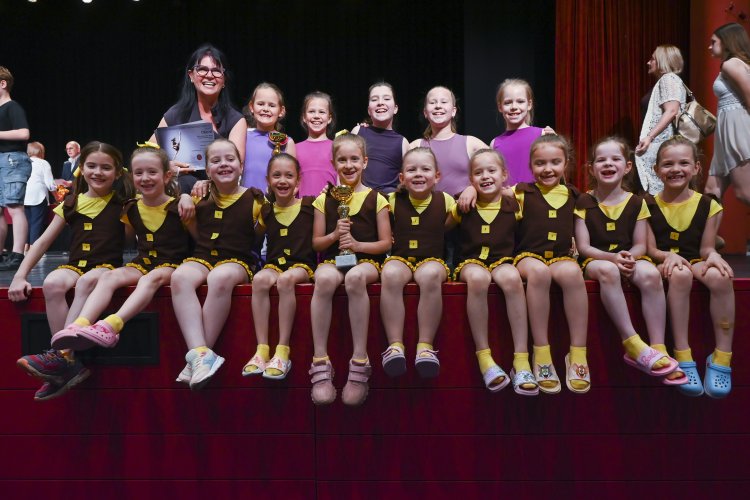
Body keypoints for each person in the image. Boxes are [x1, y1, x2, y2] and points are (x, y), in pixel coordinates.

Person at [10, 141, 135, 401]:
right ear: (81, 168)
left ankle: (63, 356)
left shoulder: (124, 204)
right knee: (53, 283)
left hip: (105, 267)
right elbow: (42, 242)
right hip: (76, 265)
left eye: (106, 167)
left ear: (117, 172)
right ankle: (66, 362)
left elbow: (132, 238)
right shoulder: (71, 202)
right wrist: (19, 276)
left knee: (88, 281)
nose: (97, 172)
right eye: (91, 166)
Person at [49, 145, 193, 354]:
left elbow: (198, 238)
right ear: (131, 176)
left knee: (149, 279)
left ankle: (111, 325)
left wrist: (186, 196)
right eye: (139, 173)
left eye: (152, 172)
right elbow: (127, 238)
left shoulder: (180, 206)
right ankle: (79, 324)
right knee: (109, 277)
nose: (145, 178)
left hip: (171, 264)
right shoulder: (130, 207)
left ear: (167, 175)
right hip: (142, 263)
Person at [574, 137, 682, 383]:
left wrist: (629, 257)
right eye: (601, 160)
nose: (608, 164)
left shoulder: (636, 202)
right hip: (597, 259)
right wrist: (612, 258)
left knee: (650, 273)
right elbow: (584, 247)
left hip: (629, 256)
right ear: (591, 168)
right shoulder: (584, 201)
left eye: (615, 159)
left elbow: (641, 244)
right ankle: (632, 342)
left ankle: (658, 347)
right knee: (608, 271)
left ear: (628, 167)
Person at [170, 138, 265, 390]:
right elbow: (196, 235)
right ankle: (201, 354)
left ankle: (199, 356)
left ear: (241, 165)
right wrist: (185, 197)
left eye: (230, 159)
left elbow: (257, 241)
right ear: (207, 170)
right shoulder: (198, 196)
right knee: (179, 277)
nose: (223, 164)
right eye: (216, 160)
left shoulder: (255, 199)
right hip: (204, 256)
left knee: (219, 277)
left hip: (238, 260)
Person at [646, 136, 735, 398]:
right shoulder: (646, 205)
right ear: (657, 170)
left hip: (693, 259)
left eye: (684, 163)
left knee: (720, 276)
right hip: (662, 263)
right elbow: (650, 249)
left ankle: (722, 355)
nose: (676, 169)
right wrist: (666, 256)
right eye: (668, 164)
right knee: (680, 274)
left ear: (696, 168)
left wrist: (714, 256)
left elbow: (705, 248)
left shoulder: (710, 206)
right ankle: (682, 354)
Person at [309, 133, 391, 406]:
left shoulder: (376, 198)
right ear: (333, 163)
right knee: (322, 278)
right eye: (342, 160)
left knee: (355, 277)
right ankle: (320, 360)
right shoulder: (324, 200)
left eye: (354, 159)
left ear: (364, 162)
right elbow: (317, 243)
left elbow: (385, 244)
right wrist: (335, 235)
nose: (348, 165)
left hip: (366, 262)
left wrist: (357, 245)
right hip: (335, 260)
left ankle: (359, 360)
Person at [452, 149, 536, 395]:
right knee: (478, 278)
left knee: (511, 277)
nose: (485, 176)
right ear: (471, 179)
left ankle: (521, 360)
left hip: (503, 260)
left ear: (504, 174)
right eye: (478, 173)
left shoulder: (515, 203)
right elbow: (440, 228)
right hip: (470, 262)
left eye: (492, 171)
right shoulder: (463, 203)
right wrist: (466, 192)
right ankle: (485, 358)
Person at [514, 134, 590, 394]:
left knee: (573, 273)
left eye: (555, 162)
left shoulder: (575, 195)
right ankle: (541, 352)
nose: (547, 169)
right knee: (538, 273)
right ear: (530, 165)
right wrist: (470, 189)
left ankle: (578, 352)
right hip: (528, 256)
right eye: (540, 163)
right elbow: (489, 196)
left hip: (559, 257)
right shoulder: (521, 192)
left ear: (566, 163)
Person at [379, 147, 453, 379]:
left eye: (425, 169)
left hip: (433, 260)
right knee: (389, 272)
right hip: (401, 259)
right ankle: (395, 345)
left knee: (429, 275)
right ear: (402, 178)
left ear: (437, 176)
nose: (419, 174)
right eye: (411, 170)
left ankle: (425, 346)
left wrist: (471, 189)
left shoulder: (446, 200)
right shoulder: (391, 200)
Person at [243, 154, 316, 380]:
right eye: (276, 175)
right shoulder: (266, 211)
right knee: (259, 280)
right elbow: (253, 239)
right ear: (268, 180)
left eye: (289, 175)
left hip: (302, 266)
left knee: (286, 280)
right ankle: (262, 349)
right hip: (274, 265)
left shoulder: (310, 205)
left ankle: (283, 350)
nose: (282, 180)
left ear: (298, 181)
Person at [150, 44, 246, 194]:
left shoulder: (235, 120)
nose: (209, 75)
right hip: (178, 194)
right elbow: (147, 155)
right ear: (191, 76)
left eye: (216, 71)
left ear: (224, 79)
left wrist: (208, 183)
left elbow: (235, 168)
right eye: (202, 69)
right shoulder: (176, 114)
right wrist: (166, 166)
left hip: (217, 195)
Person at [410, 86, 487, 199]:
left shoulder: (472, 144)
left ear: (453, 111)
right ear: (425, 112)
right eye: (432, 102)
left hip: (463, 209)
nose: (438, 106)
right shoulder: (415, 146)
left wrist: (473, 188)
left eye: (444, 102)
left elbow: (494, 174)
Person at [704, 23, 750, 207]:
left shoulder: (730, 64)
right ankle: (710, 228)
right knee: (711, 192)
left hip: (737, 132)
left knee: (745, 194)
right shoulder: (734, 64)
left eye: (713, 42)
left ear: (726, 42)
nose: (709, 47)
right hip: (727, 134)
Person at [634, 45, 687, 195]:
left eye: (653, 59)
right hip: (660, 144)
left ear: (663, 61)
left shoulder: (668, 79)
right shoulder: (666, 80)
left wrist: (649, 137)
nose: (648, 62)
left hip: (662, 144)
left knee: (658, 192)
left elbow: (671, 110)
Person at [490, 79, 555, 185]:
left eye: (520, 101)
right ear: (500, 107)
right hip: (506, 196)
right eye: (507, 102)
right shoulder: (495, 143)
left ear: (529, 104)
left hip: (537, 195)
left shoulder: (543, 134)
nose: (514, 107)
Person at [0, 66, 32, 271]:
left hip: (13, 159)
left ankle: (18, 253)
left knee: (14, 207)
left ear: (3, 83)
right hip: (2, 159)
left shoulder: (12, 107)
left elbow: (23, 133)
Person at [352, 82, 409, 194]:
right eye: (374, 99)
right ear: (369, 110)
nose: (380, 103)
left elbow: (407, 180)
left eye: (386, 99)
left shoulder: (403, 142)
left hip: (389, 200)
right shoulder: (358, 132)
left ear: (395, 108)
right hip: (361, 198)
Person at [241, 82, 296, 190]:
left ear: (281, 111)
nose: (266, 109)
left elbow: (292, 178)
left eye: (272, 105)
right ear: (251, 107)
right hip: (245, 198)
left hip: (274, 200)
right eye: (261, 104)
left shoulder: (287, 142)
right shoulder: (243, 136)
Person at [296, 91, 336, 197]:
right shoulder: (294, 148)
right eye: (311, 111)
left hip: (329, 204)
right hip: (302, 205)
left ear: (329, 118)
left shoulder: (337, 147)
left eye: (322, 112)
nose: (316, 116)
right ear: (304, 117)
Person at [24, 141, 57, 247]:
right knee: (36, 223)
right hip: (38, 196)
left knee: (27, 224)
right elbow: (50, 184)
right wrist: (57, 197)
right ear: (41, 151)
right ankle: (34, 250)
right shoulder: (43, 163)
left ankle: (25, 248)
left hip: (24, 197)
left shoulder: (24, 162)